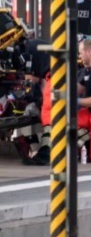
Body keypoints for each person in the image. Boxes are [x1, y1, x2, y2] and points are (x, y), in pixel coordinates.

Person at [21, 38, 51, 166]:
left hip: (50, 75)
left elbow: (40, 79)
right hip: (46, 74)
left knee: (47, 114)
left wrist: (43, 101)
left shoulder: (36, 54)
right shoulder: (27, 49)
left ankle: (45, 152)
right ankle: (39, 151)